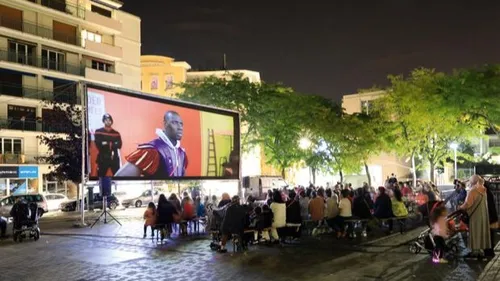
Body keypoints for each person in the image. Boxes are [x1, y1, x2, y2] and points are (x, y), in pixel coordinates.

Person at [115, 111, 188, 178]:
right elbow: (119, 176)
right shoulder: (152, 150)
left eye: (181, 124)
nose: (180, 127)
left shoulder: (182, 153)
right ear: (165, 124)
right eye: (174, 123)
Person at [459, 175, 491, 259]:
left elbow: (467, 204)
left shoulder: (473, 191)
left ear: (473, 182)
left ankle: (475, 252)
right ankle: (481, 250)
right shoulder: (484, 189)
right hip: (483, 215)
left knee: (475, 232)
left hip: (475, 216)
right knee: (481, 231)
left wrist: (460, 207)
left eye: (470, 181)